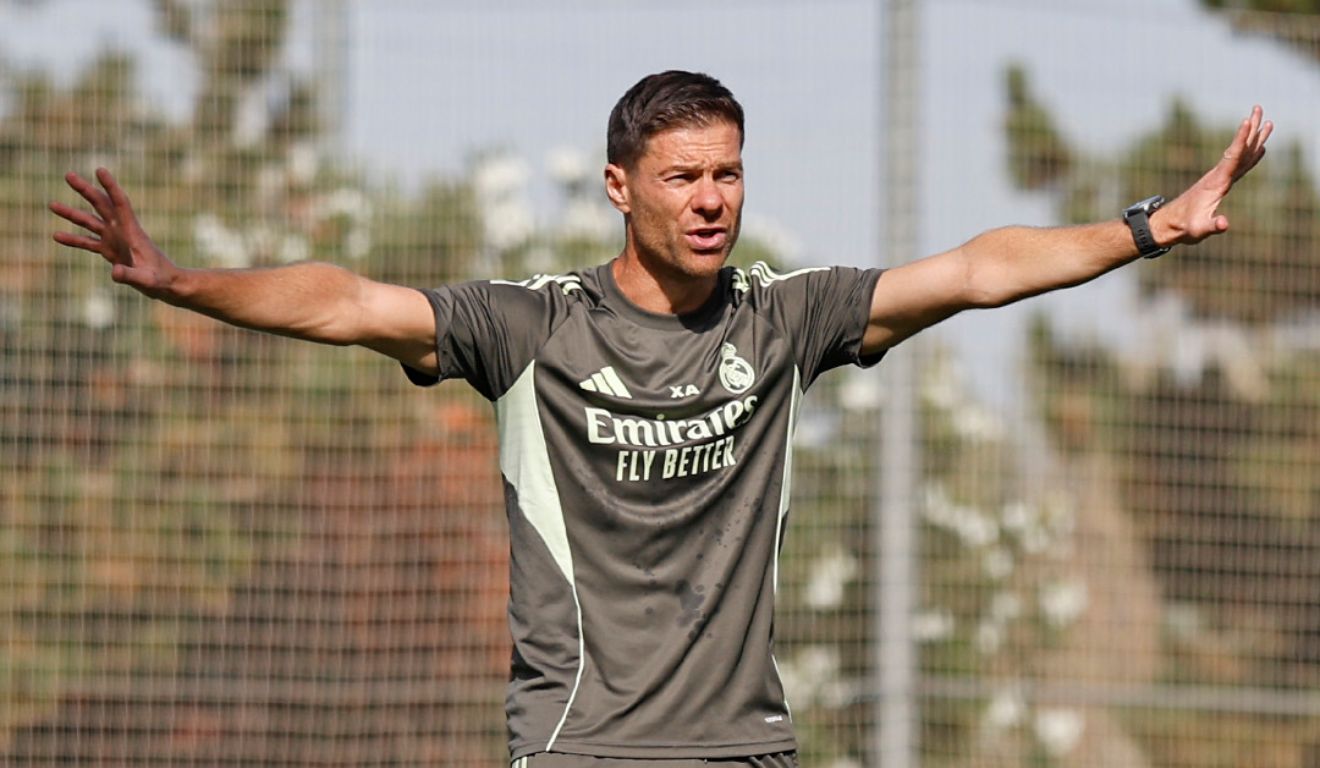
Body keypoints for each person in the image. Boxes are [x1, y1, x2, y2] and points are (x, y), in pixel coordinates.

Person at [50, 70, 1271, 767]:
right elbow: (348, 301)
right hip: (585, 753)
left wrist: (1147, 226)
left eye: (728, 173)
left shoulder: (783, 321)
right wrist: (181, 282)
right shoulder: (528, 329)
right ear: (620, 187)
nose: (711, 201)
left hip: (746, 750)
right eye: (684, 177)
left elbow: (973, 268)